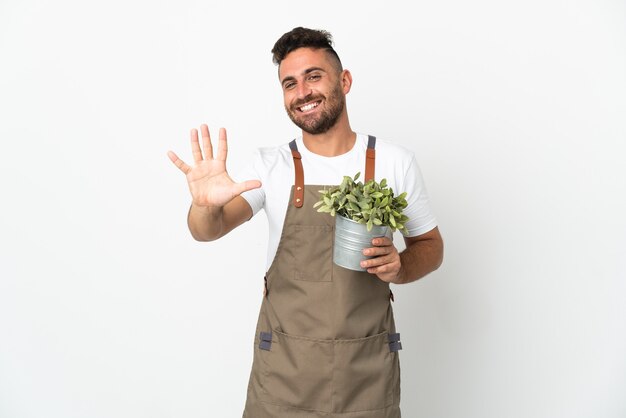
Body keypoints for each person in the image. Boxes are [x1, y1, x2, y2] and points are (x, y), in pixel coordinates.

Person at [168, 27, 443, 418]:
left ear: (344, 80)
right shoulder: (269, 165)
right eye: (290, 83)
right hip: (283, 376)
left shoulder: (393, 162)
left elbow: (431, 247)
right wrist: (204, 205)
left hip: (365, 375)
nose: (303, 92)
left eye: (314, 76)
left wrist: (399, 266)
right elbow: (207, 229)